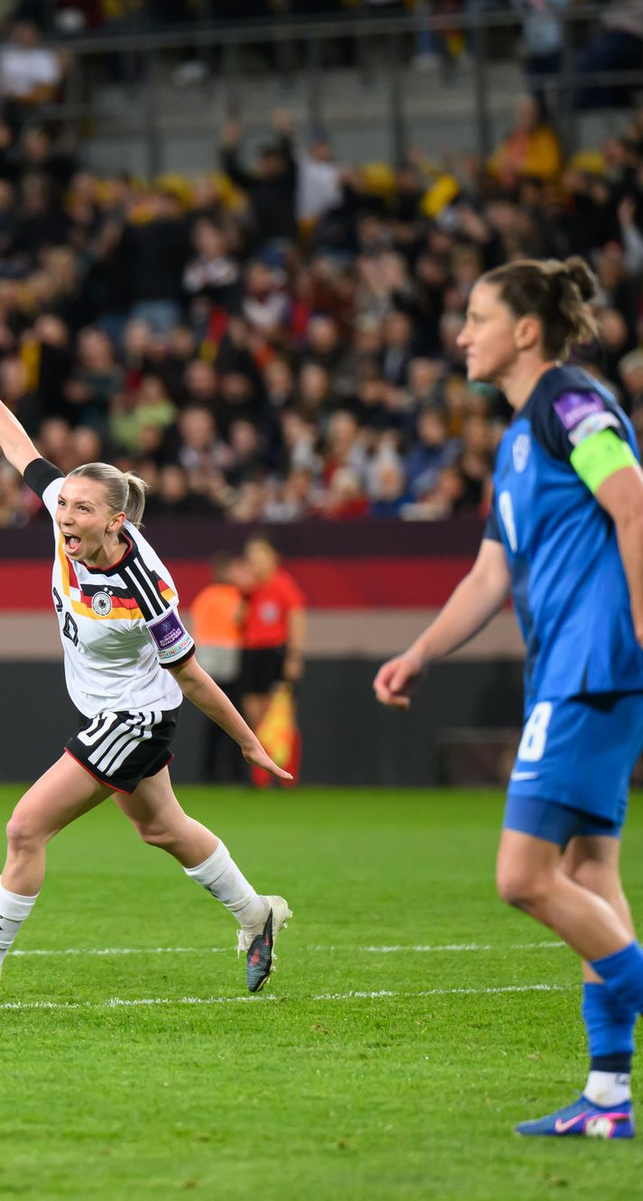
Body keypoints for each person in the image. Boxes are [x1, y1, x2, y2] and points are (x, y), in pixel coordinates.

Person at [0, 324, 291, 1002]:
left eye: (81, 508)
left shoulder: (146, 584)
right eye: (63, 503)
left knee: (25, 825)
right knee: (161, 826)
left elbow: (192, 675)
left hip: (136, 717)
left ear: (116, 521)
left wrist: (247, 741)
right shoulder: (69, 520)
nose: (65, 515)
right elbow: (23, 452)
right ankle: (255, 911)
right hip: (110, 710)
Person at [374, 256, 643, 1140]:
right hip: (570, 670)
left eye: (477, 316)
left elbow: (634, 503)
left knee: (523, 876)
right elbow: (492, 570)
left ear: (525, 330)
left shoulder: (571, 404)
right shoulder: (522, 435)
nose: (461, 334)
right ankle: (609, 1099)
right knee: (589, 874)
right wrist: (419, 651)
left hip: (590, 666)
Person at [188, 551, 248, 782]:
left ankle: (210, 773)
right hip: (229, 661)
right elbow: (239, 621)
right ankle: (235, 773)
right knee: (234, 719)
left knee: (214, 722)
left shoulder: (205, 596)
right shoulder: (233, 596)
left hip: (206, 663)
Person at [239, 535, 307, 738]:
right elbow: (237, 620)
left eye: (259, 551)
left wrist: (294, 655)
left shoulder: (283, 584)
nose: (254, 557)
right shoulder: (248, 588)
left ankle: (283, 763)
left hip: (275, 652)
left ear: (273, 556)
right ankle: (261, 759)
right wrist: (244, 592)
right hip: (251, 651)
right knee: (251, 706)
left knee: (279, 713)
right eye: (251, 552)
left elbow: (296, 619)